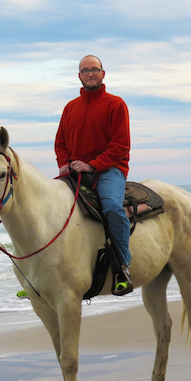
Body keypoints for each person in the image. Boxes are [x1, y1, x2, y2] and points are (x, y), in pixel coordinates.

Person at [55, 55, 133, 295]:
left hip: (109, 170)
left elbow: (120, 145)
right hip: (76, 170)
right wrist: (64, 163)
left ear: (103, 74)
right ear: (79, 76)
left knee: (111, 207)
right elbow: (60, 142)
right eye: (85, 71)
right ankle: (43, 274)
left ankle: (123, 267)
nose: (90, 74)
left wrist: (93, 165)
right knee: (49, 207)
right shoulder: (70, 108)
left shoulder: (115, 104)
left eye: (94, 70)